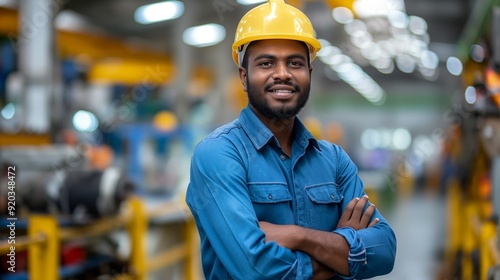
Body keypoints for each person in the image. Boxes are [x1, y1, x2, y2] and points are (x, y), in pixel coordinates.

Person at [185, 0, 397, 279]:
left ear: (309, 73)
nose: (282, 73)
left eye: (295, 63)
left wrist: (298, 236)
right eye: (266, 63)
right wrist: (339, 252)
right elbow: (256, 270)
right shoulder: (218, 154)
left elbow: (384, 251)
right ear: (244, 77)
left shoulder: (334, 160)